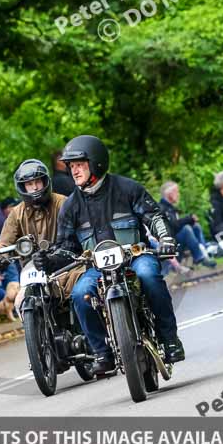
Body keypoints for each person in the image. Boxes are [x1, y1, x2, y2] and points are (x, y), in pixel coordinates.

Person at [34, 136, 185, 373]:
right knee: (80, 294)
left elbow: (154, 217)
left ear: (96, 163)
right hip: (96, 268)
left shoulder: (127, 189)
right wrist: (49, 260)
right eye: (71, 166)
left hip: (136, 256)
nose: (74, 171)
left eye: (80, 165)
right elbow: (65, 246)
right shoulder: (71, 206)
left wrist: (165, 239)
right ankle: (101, 353)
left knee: (149, 276)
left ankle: (170, 340)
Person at [0, 158, 82, 310]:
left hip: (67, 266)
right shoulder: (16, 213)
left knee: (81, 295)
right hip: (32, 270)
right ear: (23, 187)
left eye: (37, 182)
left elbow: (80, 232)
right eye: (29, 184)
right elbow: (4, 242)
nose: (34, 187)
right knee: (19, 302)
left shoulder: (63, 203)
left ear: (45, 181)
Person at [158, 181, 216, 268]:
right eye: (176, 192)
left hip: (175, 241)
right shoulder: (161, 208)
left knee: (195, 226)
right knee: (186, 229)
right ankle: (199, 258)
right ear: (169, 194)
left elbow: (176, 224)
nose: (178, 194)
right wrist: (188, 219)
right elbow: (172, 227)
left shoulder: (169, 208)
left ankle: (205, 254)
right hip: (169, 245)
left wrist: (190, 220)